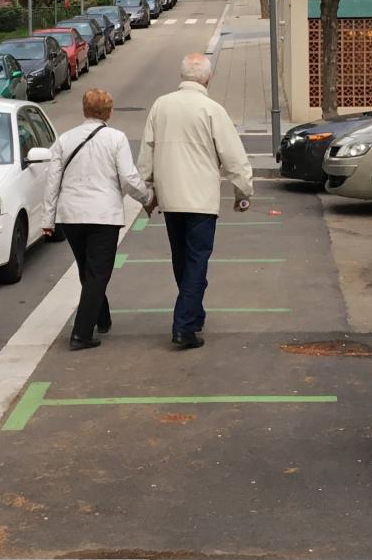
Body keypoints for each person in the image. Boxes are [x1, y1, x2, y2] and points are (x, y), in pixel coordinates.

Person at [137, 53, 254, 350]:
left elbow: (146, 153)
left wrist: (146, 192)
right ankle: (184, 326)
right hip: (201, 200)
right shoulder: (212, 109)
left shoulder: (160, 106)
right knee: (197, 260)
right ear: (207, 78)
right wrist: (243, 192)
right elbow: (233, 156)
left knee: (182, 260)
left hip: (171, 198)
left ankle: (194, 313)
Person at [43, 89, 154, 351]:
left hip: (70, 216)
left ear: (84, 110)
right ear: (108, 112)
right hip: (103, 215)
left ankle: (101, 318)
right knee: (97, 273)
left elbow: (52, 182)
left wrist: (48, 219)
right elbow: (127, 178)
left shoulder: (64, 140)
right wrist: (147, 198)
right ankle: (81, 333)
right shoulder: (116, 139)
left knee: (87, 269)